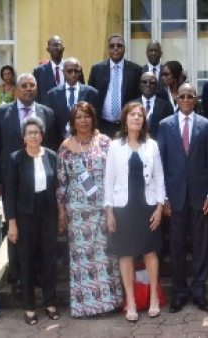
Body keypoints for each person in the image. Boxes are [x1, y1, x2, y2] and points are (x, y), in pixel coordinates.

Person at [0, 73, 60, 295]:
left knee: (39, 232)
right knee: (15, 231)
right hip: (13, 183)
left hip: (40, 183)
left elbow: (51, 147)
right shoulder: (3, 112)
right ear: (17, 90)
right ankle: (18, 277)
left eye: (32, 85)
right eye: (24, 86)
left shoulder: (46, 113)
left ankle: (38, 274)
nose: (29, 89)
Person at [56, 102, 123, 318]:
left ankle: (108, 303)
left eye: (86, 116)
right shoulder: (65, 147)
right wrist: (62, 211)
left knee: (105, 254)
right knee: (82, 258)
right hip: (77, 211)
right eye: (78, 117)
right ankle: (85, 307)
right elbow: (61, 182)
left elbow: (115, 173)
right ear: (72, 122)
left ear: (93, 118)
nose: (83, 120)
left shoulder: (105, 143)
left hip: (103, 207)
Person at [104, 102, 166, 321]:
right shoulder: (114, 146)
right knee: (126, 253)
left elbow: (159, 178)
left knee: (150, 251)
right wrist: (109, 212)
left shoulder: (152, 145)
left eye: (140, 115)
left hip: (147, 206)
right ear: (125, 119)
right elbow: (108, 180)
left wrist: (159, 208)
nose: (136, 119)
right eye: (132, 115)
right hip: (123, 208)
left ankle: (153, 299)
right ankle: (130, 300)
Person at [157, 83, 208, 313]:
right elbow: (160, 164)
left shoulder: (206, 125)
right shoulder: (165, 125)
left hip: (200, 197)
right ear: (176, 98)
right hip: (175, 198)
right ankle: (180, 293)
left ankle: (199, 292)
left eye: (190, 96)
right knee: (177, 247)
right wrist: (163, 197)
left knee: (201, 246)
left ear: (196, 99)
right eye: (181, 96)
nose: (185, 99)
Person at [3, 116, 60, 325]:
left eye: (37, 132)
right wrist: (12, 223)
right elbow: (9, 193)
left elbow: (57, 189)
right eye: (29, 133)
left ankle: (50, 303)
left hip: (47, 215)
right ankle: (29, 307)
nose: (33, 136)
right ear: (24, 137)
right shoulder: (16, 158)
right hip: (25, 216)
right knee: (26, 262)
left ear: (42, 135)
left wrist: (60, 213)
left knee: (49, 260)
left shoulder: (52, 156)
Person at [87, 34, 143, 138]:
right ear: (108, 49)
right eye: (112, 46)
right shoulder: (97, 69)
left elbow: (138, 98)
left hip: (126, 125)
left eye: (119, 45)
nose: (116, 49)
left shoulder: (135, 70)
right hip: (102, 125)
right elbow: (90, 96)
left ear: (124, 49)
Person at [46, 57, 99, 139]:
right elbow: (51, 122)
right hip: (60, 142)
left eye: (76, 71)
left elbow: (95, 120)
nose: (73, 74)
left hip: (85, 140)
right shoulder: (53, 94)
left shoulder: (91, 93)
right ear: (63, 72)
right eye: (69, 71)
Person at [33, 36, 84, 104]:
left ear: (63, 48)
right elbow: (36, 95)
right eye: (53, 46)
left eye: (58, 45)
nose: (56, 48)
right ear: (48, 49)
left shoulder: (74, 68)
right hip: (48, 110)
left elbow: (82, 90)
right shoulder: (39, 71)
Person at [131, 71, 174, 137]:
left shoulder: (166, 106)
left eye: (152, 82)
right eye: (144, 82)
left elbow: (170, 130)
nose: (148, 85)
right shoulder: (131, 106)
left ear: (156, 86)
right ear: (140, 85)